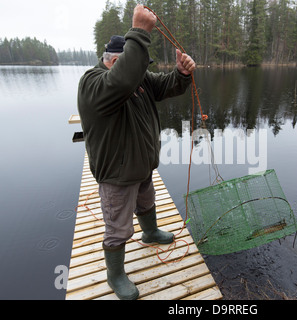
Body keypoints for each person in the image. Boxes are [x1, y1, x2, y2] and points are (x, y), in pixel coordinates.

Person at [77, 5, 196, 300]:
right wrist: (141, 31)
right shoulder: (92, 84)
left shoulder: (138, 79)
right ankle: (115, 275)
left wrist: (181, 74)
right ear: (117, 61)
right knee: (117, 228)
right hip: (116, 175)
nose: (144, 70)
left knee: (147, 201)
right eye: (137, 63)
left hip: (142, 166)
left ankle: (150, 232)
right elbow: (120, 82)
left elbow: (165, 84)